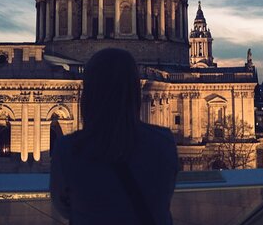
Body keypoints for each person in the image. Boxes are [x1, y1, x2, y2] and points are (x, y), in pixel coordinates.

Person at [50, 48, 178, 225]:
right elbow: (164, 195)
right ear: (134, 91)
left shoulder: (68, 149)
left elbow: (62, 205)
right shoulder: (164, 143)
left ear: (88, 93)